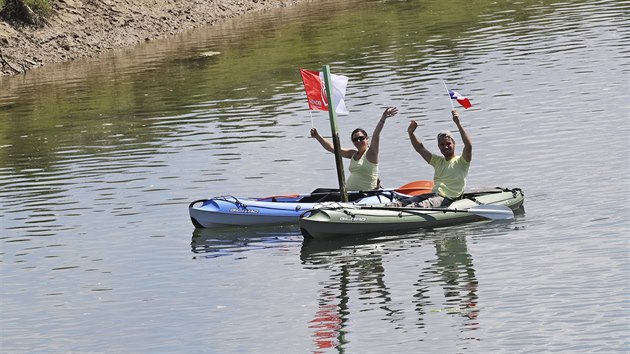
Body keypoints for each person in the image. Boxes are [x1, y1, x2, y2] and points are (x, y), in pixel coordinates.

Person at [310, 107, 398, 191]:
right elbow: (332, 148)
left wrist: (383, 118)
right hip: (350, 193)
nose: (358, 141)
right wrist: (317, 136)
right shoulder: (352, 154)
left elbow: (376, 134)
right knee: (318, 191)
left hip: (364, 194)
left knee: (328, 197)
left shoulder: (371, 153)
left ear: (367, 139)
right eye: (355, 139)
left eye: (361, 138)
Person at [402, 109, 472, 208]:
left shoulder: (462, 161)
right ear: (438, 146)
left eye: (448, 144)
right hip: (434, 195)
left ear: (454, 144)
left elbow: (468, 146)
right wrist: (411, 133)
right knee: (403, 202)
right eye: (442, 144)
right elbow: (420, 148)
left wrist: (458, 123)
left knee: (418, 206)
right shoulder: (437, 161)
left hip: (447, 198)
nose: (445, 147)